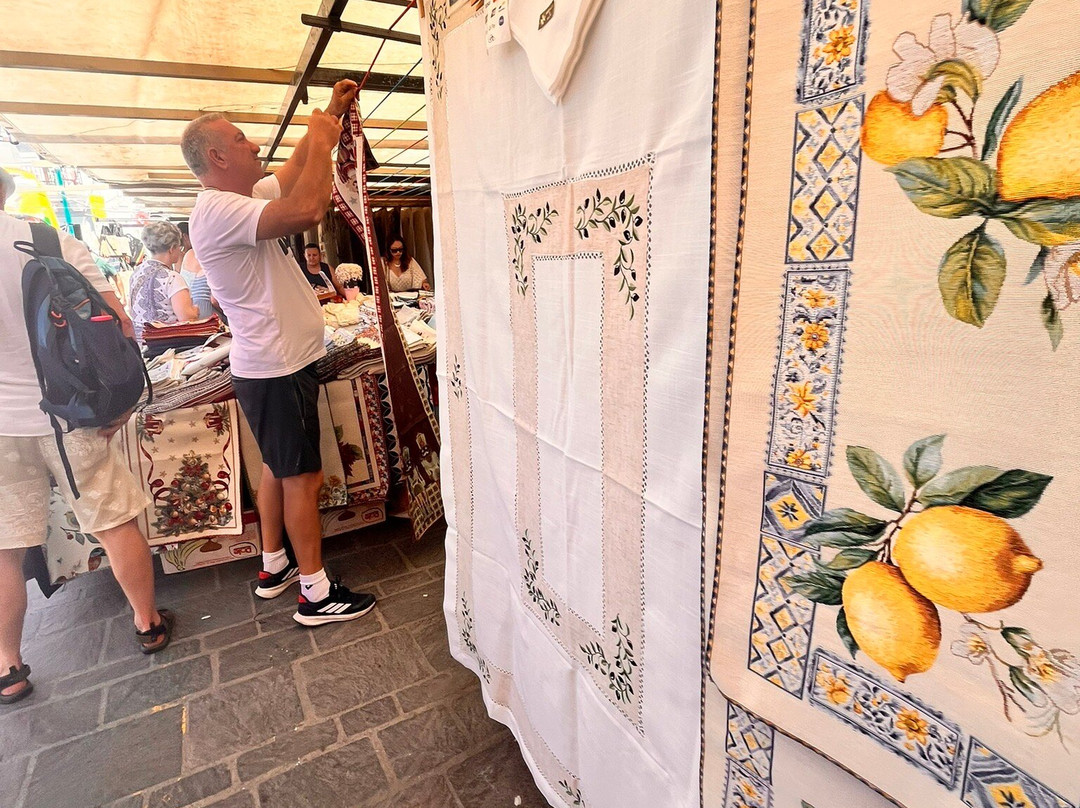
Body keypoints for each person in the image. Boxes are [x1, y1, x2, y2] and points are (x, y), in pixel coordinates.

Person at [181, 79, 376, 626]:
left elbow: (289, 177)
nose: (253, 146)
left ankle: (274, 566)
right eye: (241, 141)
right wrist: (321, 136)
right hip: (277, 367)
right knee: (301, 478)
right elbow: (310, 206)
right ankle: (315, 594)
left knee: (278, 466)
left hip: (273, 364)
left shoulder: (237, 202)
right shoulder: (218, 210)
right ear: (217, 155)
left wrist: (330, 117)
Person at [0, 168, 174, 705]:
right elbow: (118, 324)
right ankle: (146, 622)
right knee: (113, 519)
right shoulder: (48, 240)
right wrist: (116, 399)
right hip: (68, 411)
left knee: (4, 547)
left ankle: (9, 666)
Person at [128, 221, 201, 340]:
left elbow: (132, 310)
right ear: (172, 248)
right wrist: (195, 310)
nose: (180, 251)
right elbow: (186, 318)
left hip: (142, 342)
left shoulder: (136, 273)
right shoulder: (171, 278)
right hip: (167, 345)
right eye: (179, 247)